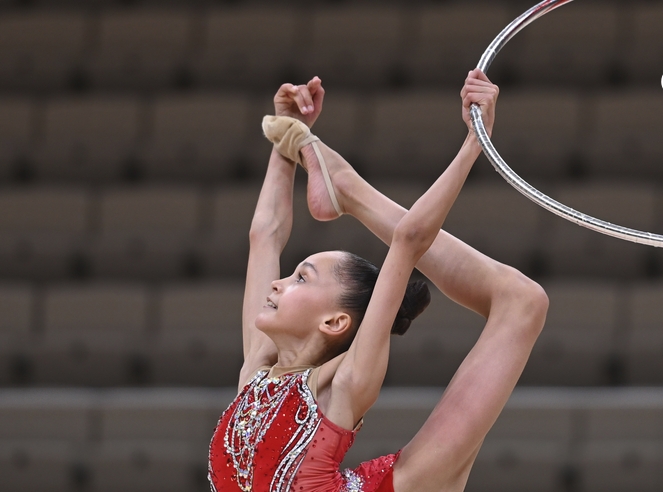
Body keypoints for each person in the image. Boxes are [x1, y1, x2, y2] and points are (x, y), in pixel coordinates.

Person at [208, 69, 549, 492]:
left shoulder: (344, 383)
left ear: (334, 322)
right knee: (522, 300)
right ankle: (346, 189)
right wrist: (288, 137)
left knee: (523, 301)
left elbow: (409, 240)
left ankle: (348, 189)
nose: (276, 284)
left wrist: (474, 143)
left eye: (300, 278)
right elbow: (264, 235)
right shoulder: (255, 375)